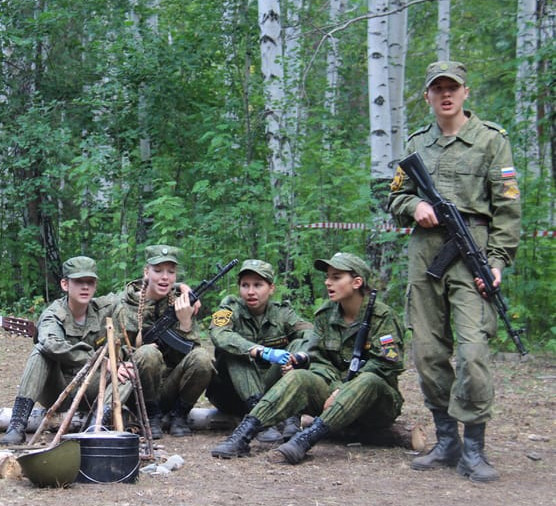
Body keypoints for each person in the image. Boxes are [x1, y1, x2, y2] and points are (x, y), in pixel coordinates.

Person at [388, 61, 521, 482]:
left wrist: (497, 261)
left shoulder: (491, 141)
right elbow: (394, 199)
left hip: (473, 249)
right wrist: (415, 206)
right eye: (437, 89)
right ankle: (448, 440)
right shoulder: (416, 144)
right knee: (427, 351)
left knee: (473, 353)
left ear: (466, 93)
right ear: (428, 96)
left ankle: (475, 448)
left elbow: (507, 208)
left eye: (453, 88)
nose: (445, 95)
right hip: (426, 254)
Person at [211, 252, 405, 464]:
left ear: (357, 282)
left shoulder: (383, 317)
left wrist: (344, 390)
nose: (328, 282)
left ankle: (303, 441)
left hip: (376, 405)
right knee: (300, 376)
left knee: (369, 380)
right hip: (330, 393)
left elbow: (388, 364)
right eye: (328, 277)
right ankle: (244, 433)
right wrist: (334, 385)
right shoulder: (326, 314)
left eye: (336, 277)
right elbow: (318, 358)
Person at [0, 256, 122, 445]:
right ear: (65, 284)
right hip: (58, 389)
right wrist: (97, 360)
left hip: (92, 389)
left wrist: (178, 288)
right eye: (79, 282)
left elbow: (137, 294)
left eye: (90, 282)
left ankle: (94, 426)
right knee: (41, 352)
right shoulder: (53, 314)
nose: (85, 287)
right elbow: (50, 343)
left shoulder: (104, 308)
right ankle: (17, 424)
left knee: (126, 372)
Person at [111, 245, 213, 438]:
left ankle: (180, 415)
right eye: (157, 271)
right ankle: (150, 416)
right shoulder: (123, 306)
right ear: (146, 272)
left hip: (169, 387)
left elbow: (193, 356)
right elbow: (114, 350)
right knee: (148, 353)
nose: (164, 277)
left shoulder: (182, 303)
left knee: (203, 358)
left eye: (171, 272)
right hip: (136, 391)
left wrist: (185, 324)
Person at [206, 259, 313, 443]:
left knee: (297, 344)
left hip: (267, 390)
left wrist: (297, 357)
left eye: (258, 285)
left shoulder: (282, 313)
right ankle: (261, 418)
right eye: (245, 285)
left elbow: (311, 333)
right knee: (235, 352)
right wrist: (259, 351)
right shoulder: (229, 308)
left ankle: (291, 417)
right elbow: (219, 334)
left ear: (271, 288)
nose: (250, 292)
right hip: (229, 394)